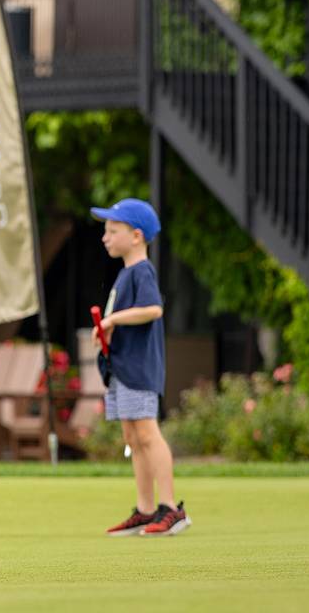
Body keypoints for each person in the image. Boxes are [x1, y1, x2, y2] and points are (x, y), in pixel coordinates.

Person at [93, 198, 189, 537]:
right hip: (122, 368)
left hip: (139, 368)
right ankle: (146, 509)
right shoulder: (125, 274)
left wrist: (111, 321)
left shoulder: (142, 271)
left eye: (112, 230)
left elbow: (153, 310)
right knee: (132, 436)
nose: (105, 237)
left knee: (147, 433)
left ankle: (170, 508)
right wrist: (107, 330)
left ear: (136, 236)